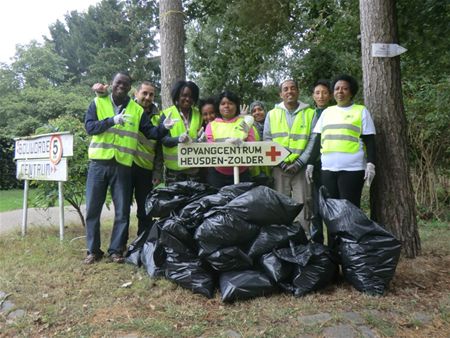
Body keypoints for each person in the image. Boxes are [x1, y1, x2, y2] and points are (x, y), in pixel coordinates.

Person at [84, 72, 175, 264]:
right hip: (99, 164)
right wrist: (111, 121)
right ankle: (93, 251)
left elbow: (150, 132)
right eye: (118, 83)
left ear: (130, 88)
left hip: (122, 166)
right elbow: (90, 127)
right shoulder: (98, 103)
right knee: (93, 209)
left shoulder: (137, 110)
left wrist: (164, 128)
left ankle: (116, 250)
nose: (121, 86)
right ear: (112, 83)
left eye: (125, 84)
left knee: (122, 211)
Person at [310, 74, 376, 209]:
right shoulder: (327, 112)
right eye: (337, 88)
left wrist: (371, 164)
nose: (340, 92)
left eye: (344, 89)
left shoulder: (361, 111)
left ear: (351, 92)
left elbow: (370, 141)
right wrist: (310, 163)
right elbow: (318, 141)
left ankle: (351, 232)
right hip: (328, 169)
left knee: (350, 209)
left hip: (352, 169)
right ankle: (334, 232)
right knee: (332, 210)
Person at [263, 79, 315, 235]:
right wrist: (281, 163)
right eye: (285, 89)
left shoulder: (310, 113)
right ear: (281, 94)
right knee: (279, 205)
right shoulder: (271, 114)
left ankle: (303, 240)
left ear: (298, 91)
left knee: (303, 204)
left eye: (293, 88)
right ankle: (281, 241)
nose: (289, 91)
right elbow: (267, 139)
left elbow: (313, 140)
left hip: (301, 168)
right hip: (280, 168)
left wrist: (300, 162)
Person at [298, 80, 333, 244]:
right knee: (314, 204)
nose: (321, 96)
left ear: (330, 95)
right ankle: (318, 242)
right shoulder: (308, 114)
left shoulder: (335, 112)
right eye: (317, 93)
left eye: (325, 92)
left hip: (331, 164)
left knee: (330, 203)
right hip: (312, 165)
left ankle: (335, 240)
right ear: (313, 96)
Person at [131, 81, 163, 237]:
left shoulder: (159, 116)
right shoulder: (127, 110)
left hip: (146, 169)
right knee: (122, 209)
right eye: (144, 93)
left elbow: (159, 148)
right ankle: (119, 247)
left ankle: (143, 241)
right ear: (136, 93)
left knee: (145, 209)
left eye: (151, 94)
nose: (148, 97)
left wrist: (157, 172)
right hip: (126, 166)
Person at [205, 91, 256, 188]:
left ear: (236, 106)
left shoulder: (244, 123)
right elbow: (209, 149)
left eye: (230, 103)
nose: (226, 106)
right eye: (223, 104)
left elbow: (252, 144)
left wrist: (243, 144)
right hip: (217, 174)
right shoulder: (212, 125)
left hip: (242, 173)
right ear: (218, 106)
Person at [159, 80, 203, 184]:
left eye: (191, 96)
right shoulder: (166, 114)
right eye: (184, 95)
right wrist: (178, 139)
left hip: (195, 171)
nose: (188, 99)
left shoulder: (199, 114)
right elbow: (163, 139)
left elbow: (204, 135)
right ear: (177, 96)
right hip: (174, 173)